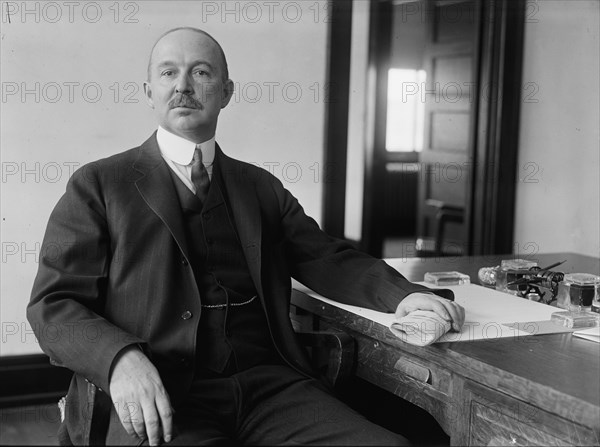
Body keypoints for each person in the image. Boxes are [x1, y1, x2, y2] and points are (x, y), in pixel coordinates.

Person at [28, 27, 465, 446]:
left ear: (226, 92)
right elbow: (53, 305)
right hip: (163, 394)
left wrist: (402, 296)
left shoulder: (259, 187)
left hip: (269, 386)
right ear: (149, 93)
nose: (183, 85)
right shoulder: (99, 184)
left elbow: (324, 256)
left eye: (201, 72)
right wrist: (120, 359)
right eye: (167, 73)